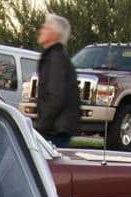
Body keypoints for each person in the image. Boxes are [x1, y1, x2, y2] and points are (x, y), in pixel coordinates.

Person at [34, 13, 80, 148]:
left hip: (54, 132)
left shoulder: (56, 60)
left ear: (55, 35)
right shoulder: (52, 57)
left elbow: (56, 97)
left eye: (45, 28)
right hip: (53, 129)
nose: (40, 31)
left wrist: (41, 126)